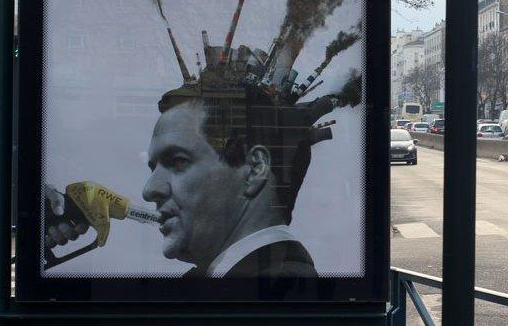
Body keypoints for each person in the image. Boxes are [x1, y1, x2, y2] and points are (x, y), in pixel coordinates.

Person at [45, 86, 335, 278]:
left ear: (255, 169)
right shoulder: (225, 282)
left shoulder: (277, 288)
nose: (149, 190)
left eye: (178, 162)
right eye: (153, 166)